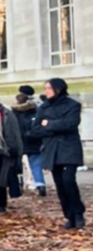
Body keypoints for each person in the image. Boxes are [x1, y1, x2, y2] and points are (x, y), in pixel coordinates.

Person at [32, 78, 86, 229]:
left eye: (48, 88)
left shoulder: (72, 105)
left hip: (69, 149)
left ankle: (78, 213)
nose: (46, 91)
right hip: (52, 149)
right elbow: (36, 129)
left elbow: (70, 124)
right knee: (60, 184)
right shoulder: (43, 108)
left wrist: (49, 124)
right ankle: (69, 216)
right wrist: (53, 126)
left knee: (69, 180)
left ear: (58, 89)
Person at [13, 93, 45, 197]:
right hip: (34, 140)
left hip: (18, 141)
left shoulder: (14, 113)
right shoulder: (35, 111)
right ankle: (40, 183)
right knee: (35, 163)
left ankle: (19, 185)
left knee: (17, 165)